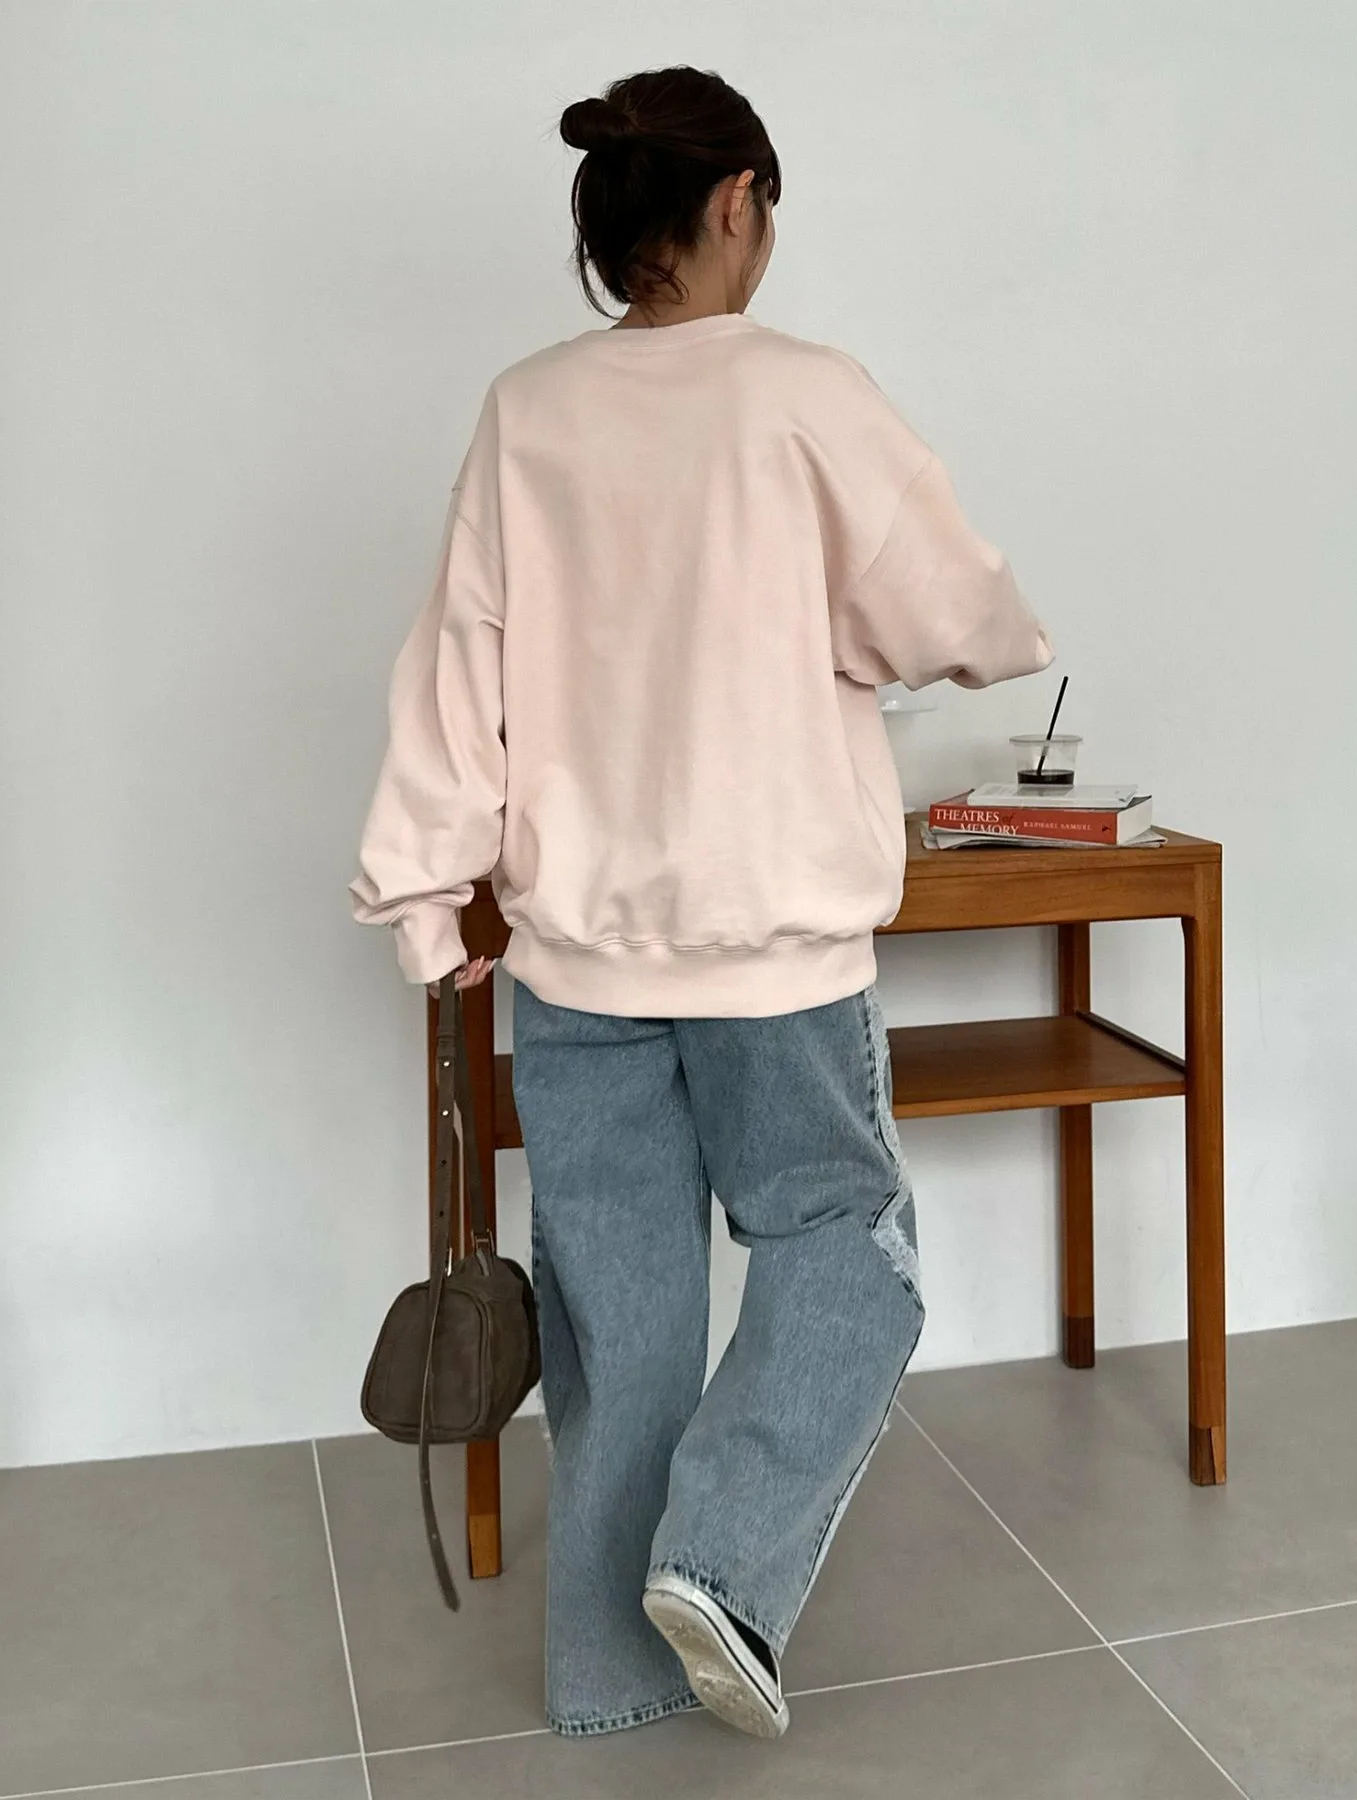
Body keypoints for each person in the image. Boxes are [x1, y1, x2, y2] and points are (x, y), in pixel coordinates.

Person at [350, 64, 1053, 1742]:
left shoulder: (527, 412)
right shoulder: (806, 400)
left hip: (576, 955)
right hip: (775, 949)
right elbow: (963, 616)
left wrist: (426, 896)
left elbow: (459, 666)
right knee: (843, 1247)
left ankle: (608, 1678)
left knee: (620, 1308)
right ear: (737, 202)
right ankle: (722, 1562)